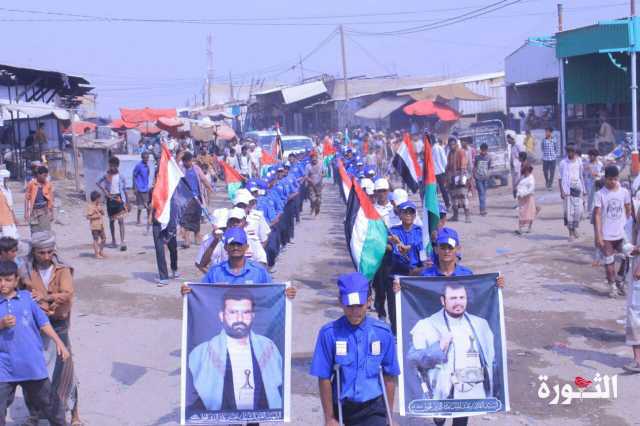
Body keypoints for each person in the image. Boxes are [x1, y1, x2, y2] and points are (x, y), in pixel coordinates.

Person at [310, 272, 400, 426]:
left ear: (369, 301)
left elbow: (389, 376)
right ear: (340, 302)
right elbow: (324, 377)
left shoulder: (382, 333)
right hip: (342, 406)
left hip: (373, 408)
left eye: (359, 305)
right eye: (349, 306)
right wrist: (329, 418)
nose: (354, 312)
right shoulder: (329, 333)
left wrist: (389, 417)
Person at [187, 288, 283, 412]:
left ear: (253, 316)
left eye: (246, 312)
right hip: (225, 413)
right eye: (233, 312)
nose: (239, 319)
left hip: (257, 413)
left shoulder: (268, 348)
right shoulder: (201, 353)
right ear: (222, 316)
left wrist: (285, 293)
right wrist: (189, 292)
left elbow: (277, 385)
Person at [21, 232, 81, 426]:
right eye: (41, 253)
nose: (46, 256)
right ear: (34, 252)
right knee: (35, 369)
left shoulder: (62, 270)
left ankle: (74, 414)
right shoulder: (26, 271)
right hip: (35, 325)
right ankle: (35, 414)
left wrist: (45, 298)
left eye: (49, 252)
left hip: (58, 322)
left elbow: (67, 294)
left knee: (65, 369)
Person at [0, 260, 70, 426]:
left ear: (16, 280)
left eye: (8, 279)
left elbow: (43, 323)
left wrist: (60, 343)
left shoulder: (27, 299)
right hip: (4, 366)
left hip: (31, 362)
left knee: (50, 405)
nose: (3, 284)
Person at [407, 283, 495, 406]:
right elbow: (412, 360)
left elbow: (492, 360)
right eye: (453, 298)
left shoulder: (480, 325)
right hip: (439, 391)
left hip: (472, 390)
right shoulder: (426, 325)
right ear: (443, 301)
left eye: (461, 298)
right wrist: (439, 347)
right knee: (440, 418)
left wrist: (496, 285)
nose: (458, 302)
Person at [594, 165, 631, 298]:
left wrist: (629, 228)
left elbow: (628, 210)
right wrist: (599, 235)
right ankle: (612, 286)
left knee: (626, 258)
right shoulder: (600, 194)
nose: (613, 182)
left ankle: (620, 280)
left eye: (615, 179)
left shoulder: (624, 192)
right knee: (609, 261)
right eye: (610, 179)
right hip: (607, 235)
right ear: (605, 178)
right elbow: (597, 215)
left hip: (622, 234)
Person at [180, 152, 213, 249]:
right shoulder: (181, 170)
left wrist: (209, 188)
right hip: (185, 198)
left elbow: (203, 179)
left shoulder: (196, 168)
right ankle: (186, 240)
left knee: (196, 217)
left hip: (197, 197)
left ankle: (197, 237)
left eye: (190, 161)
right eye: (187, 161)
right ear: (184, 161)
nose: (189, 163)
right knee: (185, 219)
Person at [96, 157, 127, 251]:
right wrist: (105, 191)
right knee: (111, 221)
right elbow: (97, 182)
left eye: (114, 166)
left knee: (121, 221)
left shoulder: (121, 176)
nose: (112, 167)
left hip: (119, 199)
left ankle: (122, 242)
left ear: (117, 166)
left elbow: (124, 189)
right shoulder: (106, 175)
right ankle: (113, 240)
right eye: (110, 165)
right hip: (110, 200)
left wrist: (127, 202)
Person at [559, 145, 585, 241]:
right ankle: (570, 233)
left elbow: (581, 175)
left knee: (579, 211)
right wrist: (561, 191)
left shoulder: (579, 161)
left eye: (572, 151)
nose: (570, 153)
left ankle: (574, 228)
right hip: (567, 189)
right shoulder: (563, 163)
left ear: (575, 152)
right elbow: (560, 178)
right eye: (568, 151)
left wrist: (584, 189)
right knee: (569, 212)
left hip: (578, 187)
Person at [447, 139, 471, 223]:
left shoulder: (461, 152)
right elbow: (448, 166)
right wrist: (448, 178)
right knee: (453, 198)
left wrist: (461, 177)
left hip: (460, 176)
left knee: (463, 196)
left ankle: (467, 216)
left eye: (453, 144)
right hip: (452, 176)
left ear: (456, 144)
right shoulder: (450, 153)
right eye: (450, 145)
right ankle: (455, 215)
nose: (451, 146)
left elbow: (463, 165)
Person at [25, 166, 54, 235]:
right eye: (44, 176)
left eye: (46, 176)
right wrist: (26, 212)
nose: (45, 178)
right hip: (34, 211)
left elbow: (51, 199)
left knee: (46, 230)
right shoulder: (31, 184)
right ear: (38, 175)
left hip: (44, 210)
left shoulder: (48, 184)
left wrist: (52, 212)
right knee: (35, 230)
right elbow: (26, 198)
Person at [132, 152, 151, 230]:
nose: (147, 159)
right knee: (141, 206)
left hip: (146, 188)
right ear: (142, 158)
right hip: (139, 188)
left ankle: (148, 220)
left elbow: (148, 175)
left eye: (148, 158)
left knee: (147, 205)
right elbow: (134, 175)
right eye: (145, 158)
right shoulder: (139, 166)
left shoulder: (147, 166)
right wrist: (134, 187)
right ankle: (138, 220)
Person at [516, 165, 537, 235]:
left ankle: (529, 228)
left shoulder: (531, 178)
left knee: (531, 212)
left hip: (529, 197)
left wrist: (525, 194)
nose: (526, 173)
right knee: (521, 212)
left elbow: (531, 188)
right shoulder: (522, 177)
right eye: (525, 172)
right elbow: (519, 186)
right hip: (521, 197)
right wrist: (519, 194)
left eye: (527, 171)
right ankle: (520, 228)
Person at [85, 191, 106, 259]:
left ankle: (101, 251)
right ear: (96, 198)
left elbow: (103, 213)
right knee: (96, 240)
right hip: (94, 226)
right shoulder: (90, 206)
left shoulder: (98, 205)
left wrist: (101, 210)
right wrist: (96, 216)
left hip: (100, 224)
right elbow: (88, 217)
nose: (99, 200)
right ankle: (96, 254)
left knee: (104, 238)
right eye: (99, 198)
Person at [584, 149, 603, 217]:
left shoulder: (599, 164)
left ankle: (597, 211)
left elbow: (597, 174)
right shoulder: (587, 163)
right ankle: (590, 212)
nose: (591, 157)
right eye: (590, 155)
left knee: (596, 196)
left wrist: (591, 170)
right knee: (590, 197)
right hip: (588, 181)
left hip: (597, 181)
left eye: (593, 156)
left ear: (596, 156)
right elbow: (584, 172)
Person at [473, 143, 491, 216]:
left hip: (485, 178)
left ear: (487, 150)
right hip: (478, 178)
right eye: (482, 150)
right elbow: (475, 166)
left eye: (485, 150)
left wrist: (488, 174)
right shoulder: (477, 157)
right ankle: (482, 210)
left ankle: (483, 208)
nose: (484, 152)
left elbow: (489, 167)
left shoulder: (489, 157)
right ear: (481, 150)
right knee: (481, 194)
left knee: (484, 194)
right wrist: (474, 175)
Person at [433, 138, 450, 209]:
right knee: (438, 189)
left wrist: (445, 169)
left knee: (441, 188)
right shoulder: (435, 148)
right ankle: (445, 204)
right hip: (437, 171)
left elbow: (444, 160)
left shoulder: (437, 148)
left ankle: (447, 203)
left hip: (439, 171)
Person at [305, 152, 323, 216]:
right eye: (313, 159)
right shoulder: (308, 166)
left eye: (315, 158)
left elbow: (324, 173)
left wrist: (322, 176)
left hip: (319, 185)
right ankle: (312, 207)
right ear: (311, 159)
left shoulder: (321, 164)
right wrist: (311, 180)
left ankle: (317, 210)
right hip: (311, 185)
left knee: (318, 199)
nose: (314, 160)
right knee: (312, 199)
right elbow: (306, 176)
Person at [0, 170, 17, 240]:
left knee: (13, 240)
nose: (8, 180)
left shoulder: (7, 190)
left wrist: (14, 217)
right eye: (6, 178)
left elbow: (10, 206)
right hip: (2, 221)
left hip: (10, 220)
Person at [507, 135, 521, 200]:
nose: (508, 141)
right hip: (513, 168)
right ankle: (516, 198)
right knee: (514, 184)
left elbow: (522, 155)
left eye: (508, 139)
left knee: (518, 184)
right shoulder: (511, 146)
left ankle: (519, 201)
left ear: (512, 139)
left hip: (518, 167)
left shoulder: (517, 146)